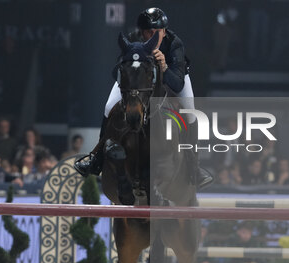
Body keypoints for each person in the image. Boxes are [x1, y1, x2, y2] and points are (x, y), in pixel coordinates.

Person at [74, 7, 212, 188]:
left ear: (164, 31)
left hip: (172, 76)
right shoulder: (132, 39)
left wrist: (163, 66)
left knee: (191, 113)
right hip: (137, 80)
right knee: (109, 106)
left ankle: (193, 165)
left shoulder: (174, 43)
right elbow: (116, 71)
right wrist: (131, 60)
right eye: (148, 32)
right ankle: (97, 158)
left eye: (157, 32)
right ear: (142, 31)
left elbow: (177, 84)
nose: (152, 35)